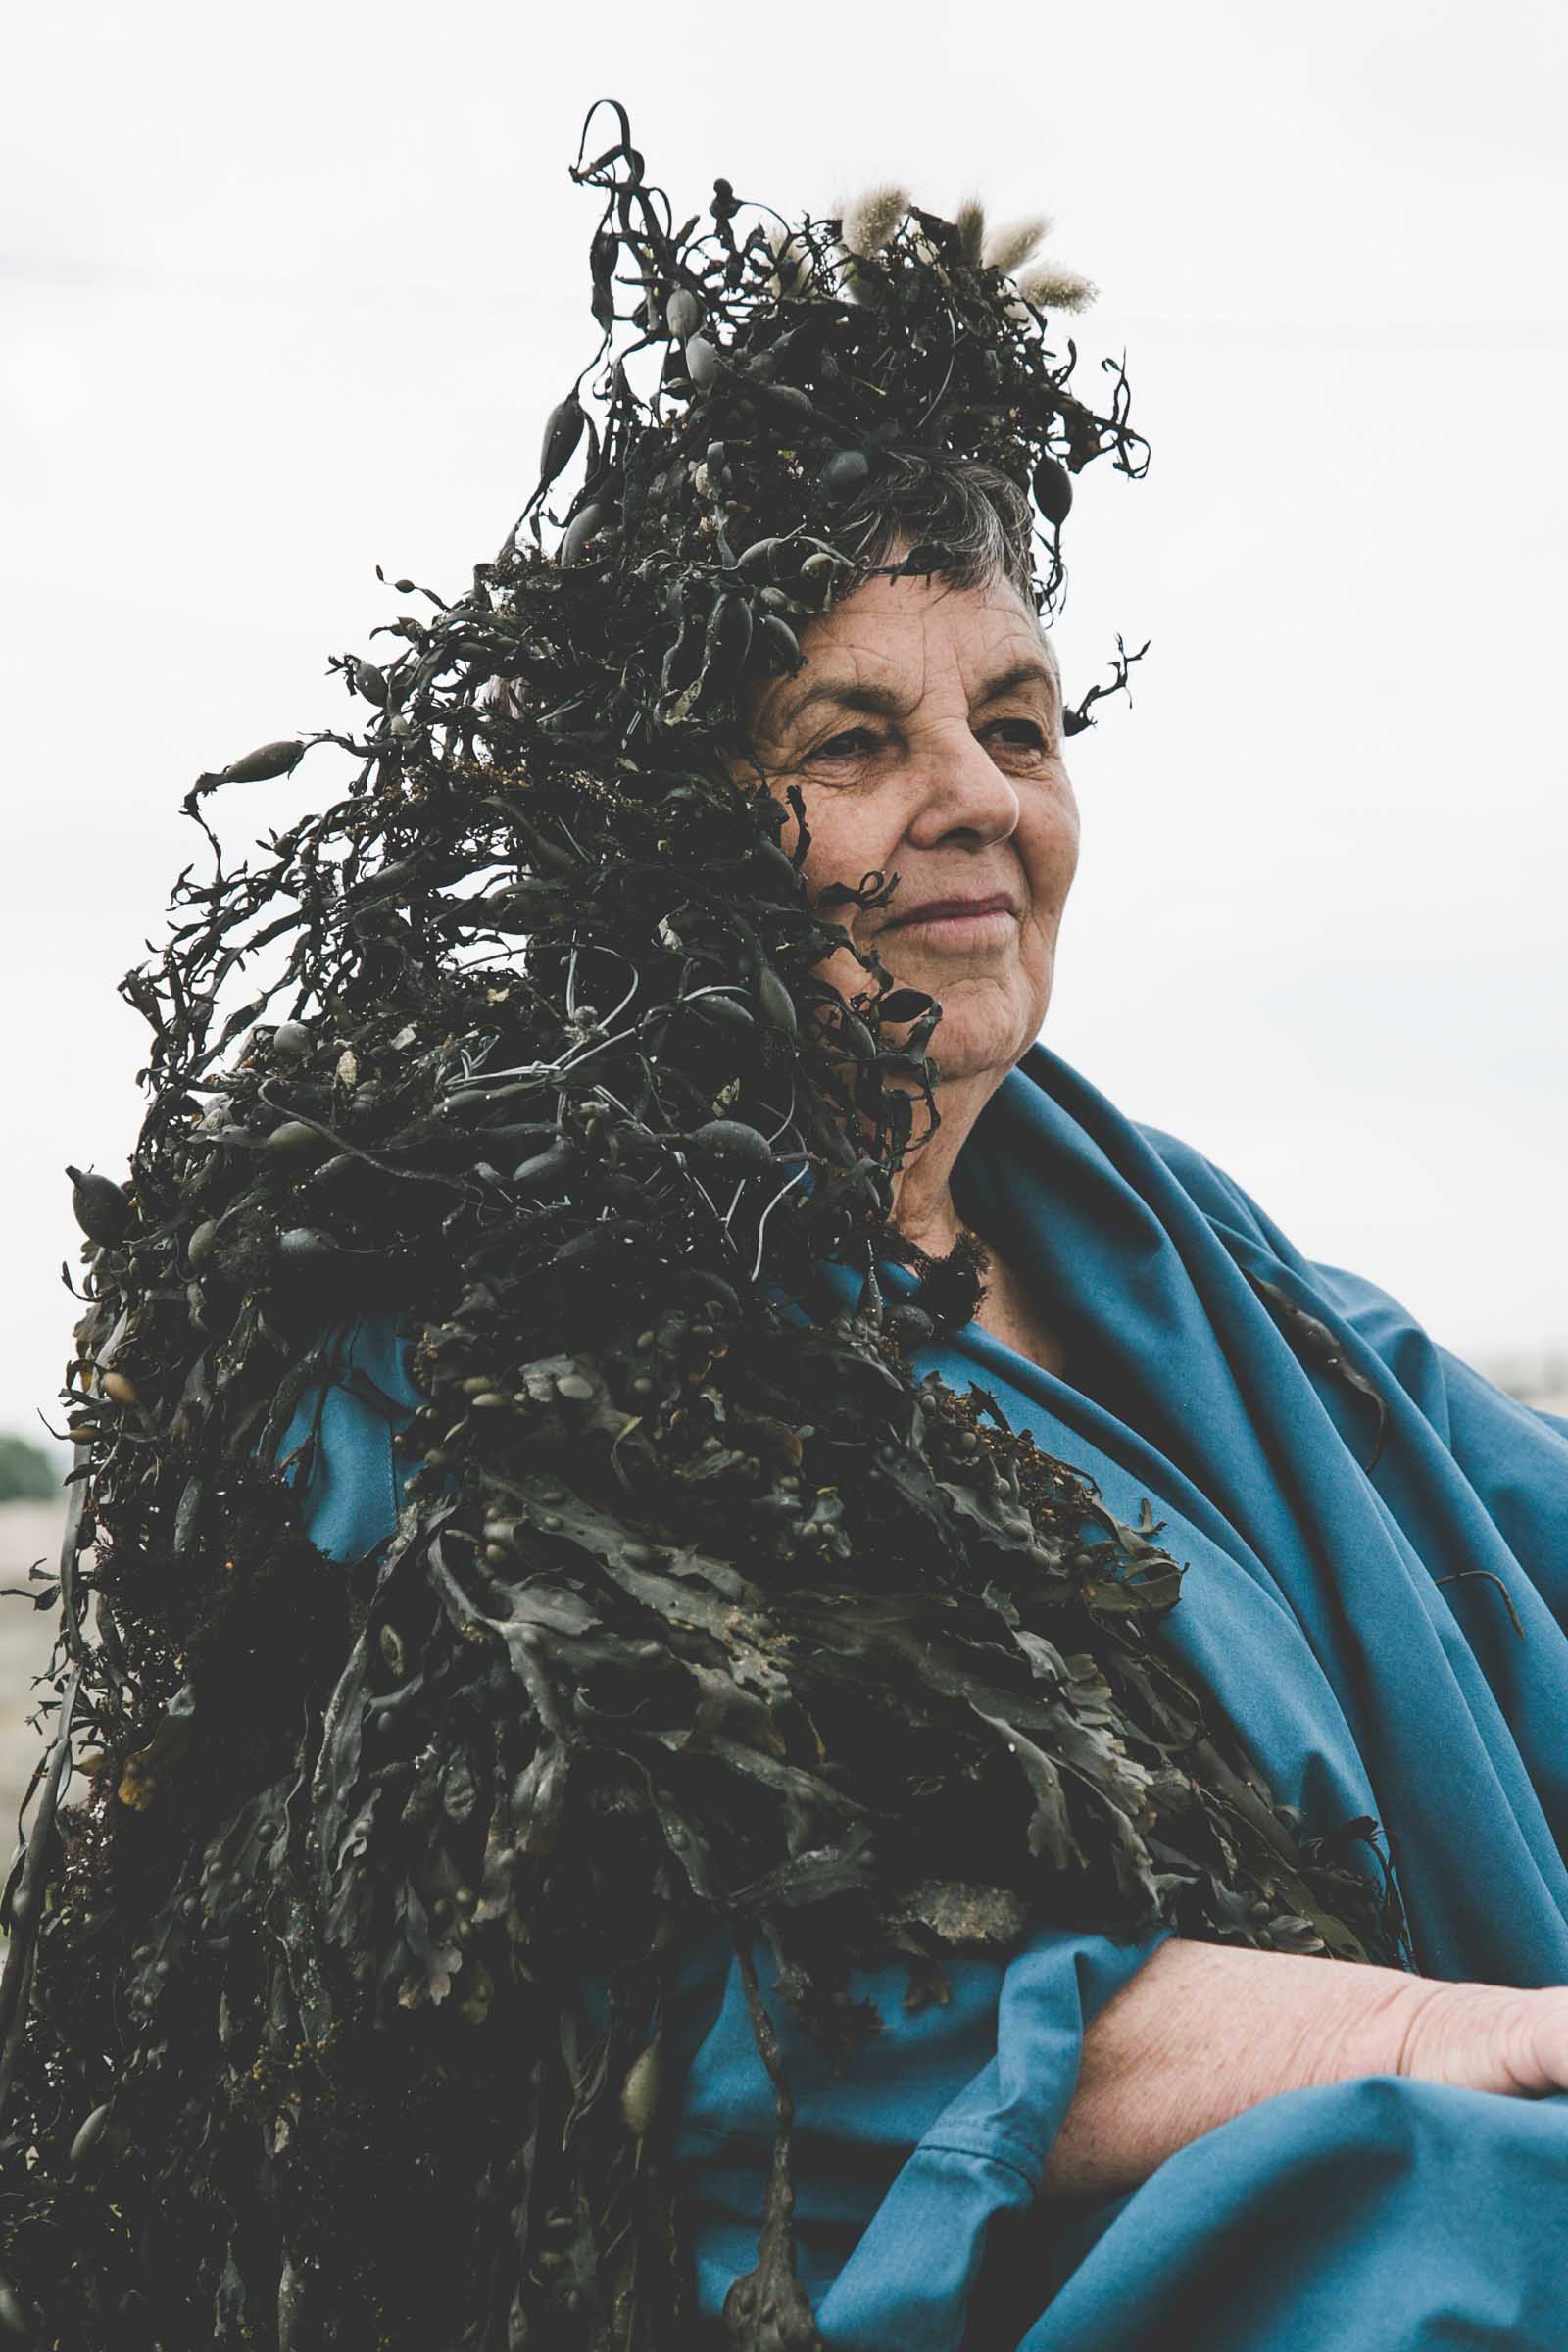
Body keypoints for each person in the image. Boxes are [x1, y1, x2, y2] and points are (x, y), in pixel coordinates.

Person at [18, 103, 1568, 2351]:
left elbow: (1518, 1521)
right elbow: (686, 1998)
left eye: (1015, 722)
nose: (975, 799)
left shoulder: (1164, 1248)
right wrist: (1433, 2042)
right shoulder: (466, 1339)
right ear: (657, 821)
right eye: (852, 740)